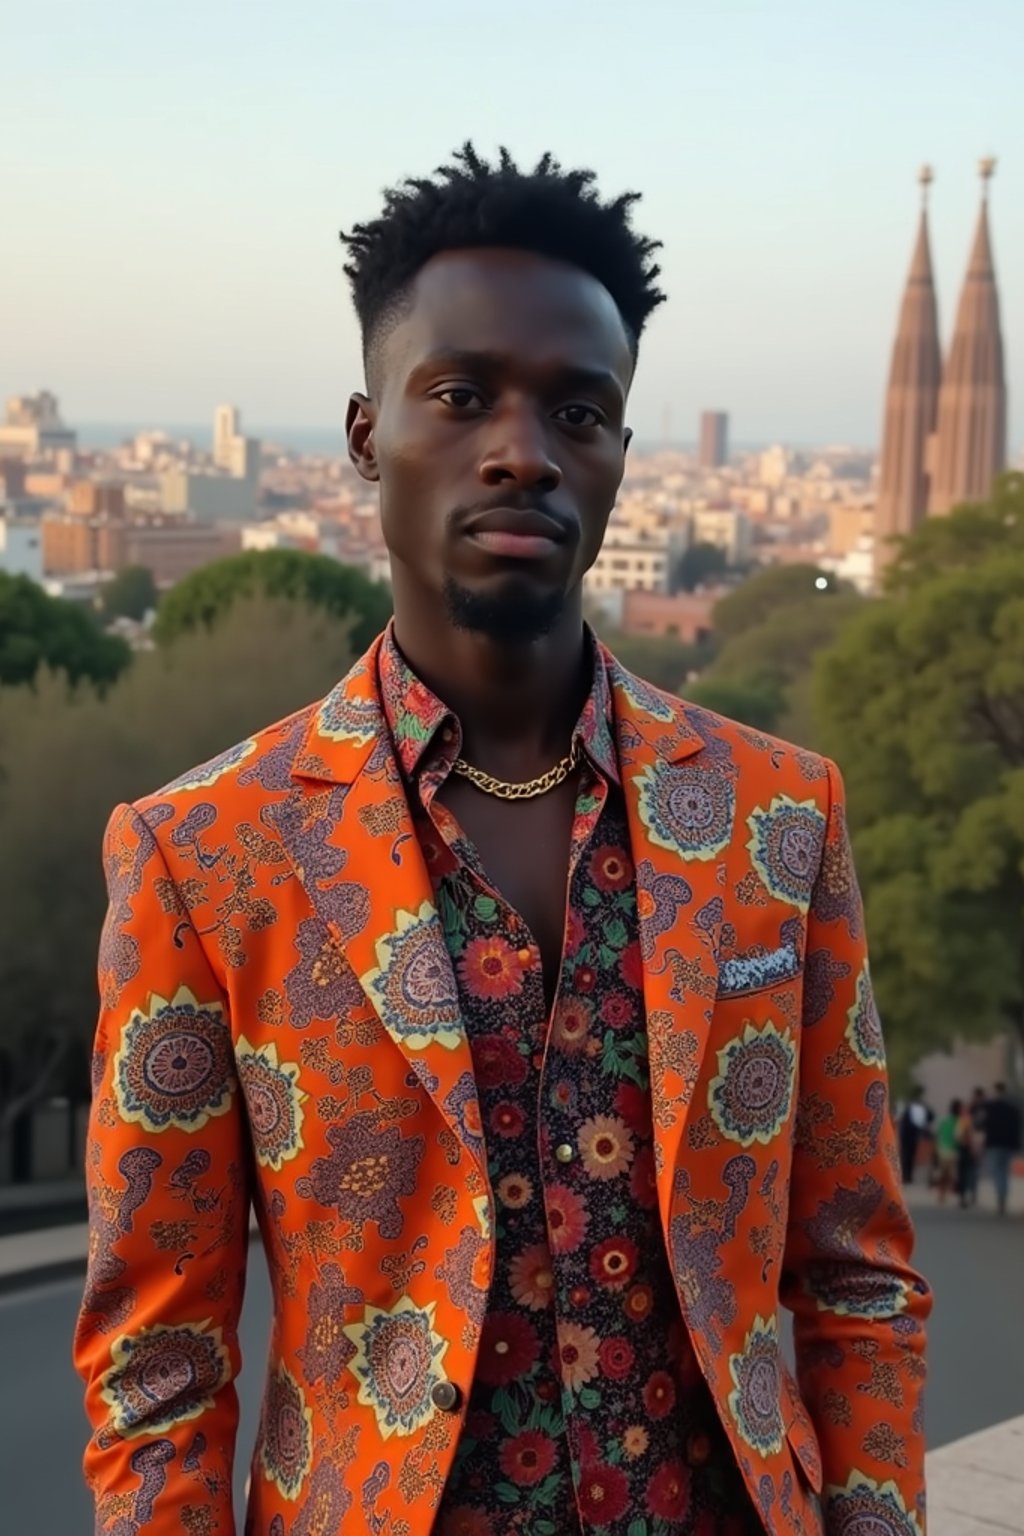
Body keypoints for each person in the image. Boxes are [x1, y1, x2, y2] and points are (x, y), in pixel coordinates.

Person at [73, 145, 929, 1536]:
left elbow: (855, 1277)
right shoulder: (205, 855)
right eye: (462, 396)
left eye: (576, 410)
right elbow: (158, 1358)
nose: (521, 450)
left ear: (620, 458)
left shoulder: (780, 820)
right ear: (365, 437)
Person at [983, 1081, 1022, 1216]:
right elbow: (1017, 1128)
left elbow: (983, 1124)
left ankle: (1001, 1196)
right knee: (1004, 1171)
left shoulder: (990, 1107)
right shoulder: (1013, 1108)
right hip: (1009, 1144)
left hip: (994, 1144)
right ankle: (1003, 1196)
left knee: (996, 1171)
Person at [898, 1084, 930, 1185]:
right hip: (909, 1135)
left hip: (911, 1135)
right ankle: (906, 1175)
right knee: (907, 1156)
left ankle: (908, 1175)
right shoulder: (911, 1106)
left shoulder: (916, 1106)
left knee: (909, 1156)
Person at [934, 1099, 961, 1204]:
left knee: (943, 1174)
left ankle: (941, 1194)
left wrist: (935, 1149)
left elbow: (937, 1135)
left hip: (942, 1150)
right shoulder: (960, 1121)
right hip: (954, 1150)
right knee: (951, 1175)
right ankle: (948, 1193)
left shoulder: (944, 1120)